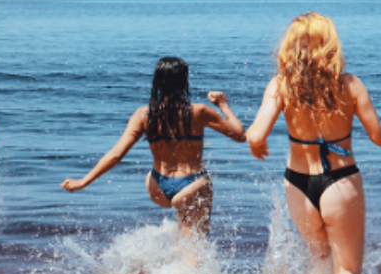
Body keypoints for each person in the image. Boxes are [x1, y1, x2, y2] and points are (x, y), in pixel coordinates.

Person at [245, 13, 381, 274]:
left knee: (319, 253)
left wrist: (257, 147)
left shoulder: (281, 85)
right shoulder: (350, 85)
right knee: (348, 270)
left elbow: (255, 135)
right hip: (340, 182)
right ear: (331, 45)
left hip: (298, 184)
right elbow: (378, 137)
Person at [61, 56, 245, 240]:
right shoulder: (199, 111)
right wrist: (223, 105)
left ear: (157, 82)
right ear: (184, 81)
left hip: (157, 185)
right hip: (191, 184)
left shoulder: (143, 114)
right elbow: (240, 135)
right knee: (195, 249)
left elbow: (116, 154)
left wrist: (82, 182)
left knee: (184, 230)